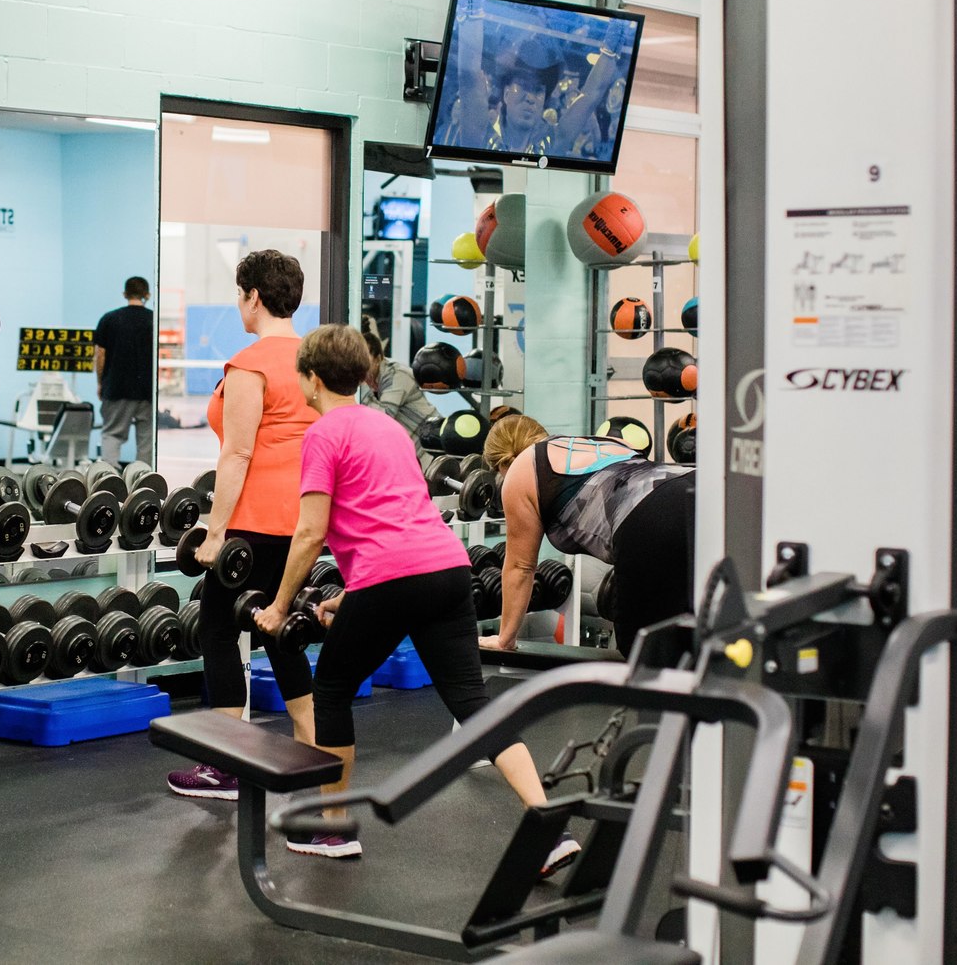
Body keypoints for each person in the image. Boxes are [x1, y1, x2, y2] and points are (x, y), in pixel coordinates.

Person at [251, 325, 577, 874]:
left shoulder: (323, 434)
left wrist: (280, 607)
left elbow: (310, 534)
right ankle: (549, 827)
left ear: (310, 377)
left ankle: (332, 831)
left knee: (329, 689)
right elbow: (395, 518)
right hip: (446, 569)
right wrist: (353, 595)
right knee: (472, 704)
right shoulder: (388, 428)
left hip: (391, 578)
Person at [165, 249, 319, 802]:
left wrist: (213, 534)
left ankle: (224, 765)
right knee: (278, 631)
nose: (239, 304)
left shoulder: (250, 364)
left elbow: (237, 455)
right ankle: (314, 745)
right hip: (302, 520)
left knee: (217, 630)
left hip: (251, 527)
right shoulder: (316, 359)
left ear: (253, 297)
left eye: (239, 294)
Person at [480, 415, 694, 656]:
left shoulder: (520, 470)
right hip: (692, 485)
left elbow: (521, 566)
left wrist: (504, 639)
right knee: (697, 631)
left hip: (647, 514)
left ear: (500, 464)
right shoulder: (595, 442)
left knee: (643, 650)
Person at [93, 276, 155, 466]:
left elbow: (100, 355)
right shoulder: (153, 319)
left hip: (116, 387)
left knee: (112, 434)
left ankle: (108, 480)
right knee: (146, 439)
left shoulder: (109, 319)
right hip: (147, 390)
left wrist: (101, 382)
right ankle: (143, 481)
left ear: (125, 294)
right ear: (147, 295)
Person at [359, 331, 441, 451]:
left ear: (378, 359)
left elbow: (383, 419)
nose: (359, 364)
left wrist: (361, 386)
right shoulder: (371, 380)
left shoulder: (397, 376)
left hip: (429, 449)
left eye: (364, 358)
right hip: (410, 451)